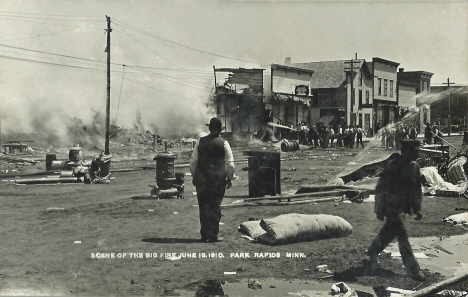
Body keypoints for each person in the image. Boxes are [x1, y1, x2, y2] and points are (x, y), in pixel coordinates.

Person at [366, 139, 425, 281]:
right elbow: (381, 188)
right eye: (415, 151)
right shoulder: (394, 166)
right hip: (391, 207)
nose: (418, 153)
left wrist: (417, 209)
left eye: (418, 151)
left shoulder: (415, 167)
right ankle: (413, 270)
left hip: (403, 207)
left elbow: (417, 189)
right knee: (402, 235)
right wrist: (379, 209)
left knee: (390, 231)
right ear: (406, 151)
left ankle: (372, 251)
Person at [190, 117, 235, 243]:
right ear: (220, 130)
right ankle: (213, 235)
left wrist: (195, 176)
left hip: (202, 181)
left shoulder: (200, 142)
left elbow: (193, 162)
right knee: (215, 207)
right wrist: (230, 178)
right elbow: (230, 164)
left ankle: (204, 234)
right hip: (217, 181)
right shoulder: (224, 143)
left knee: (203, 207)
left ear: (209, 128)